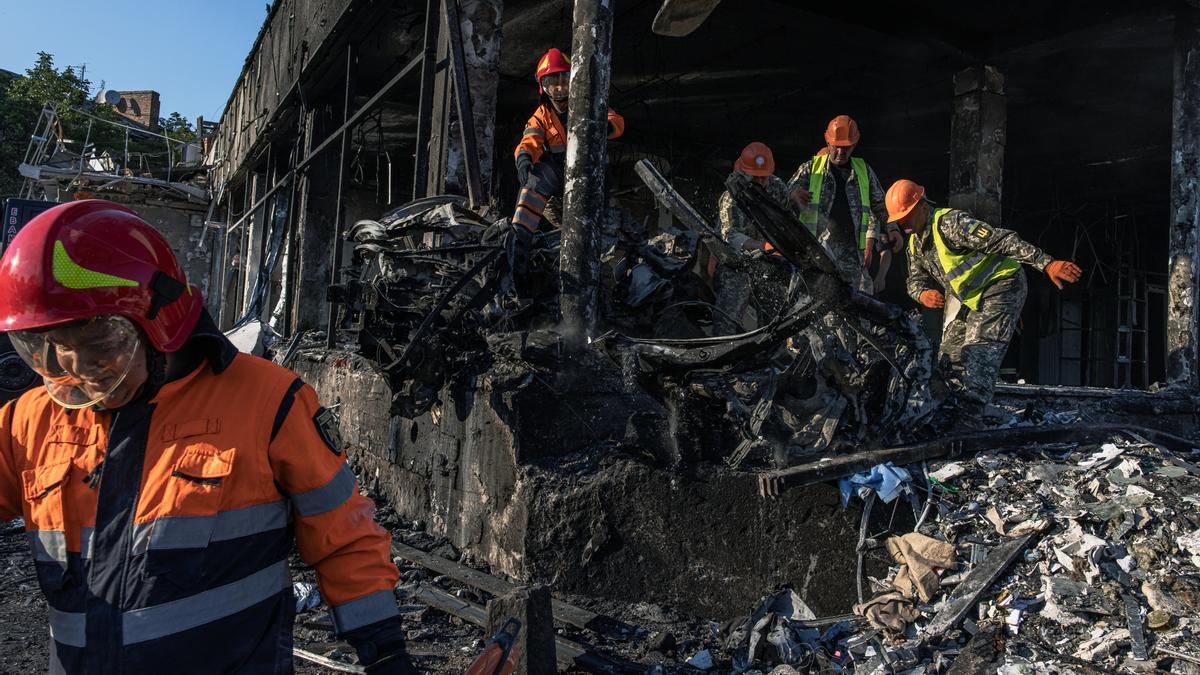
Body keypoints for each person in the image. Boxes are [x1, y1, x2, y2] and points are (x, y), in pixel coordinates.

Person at [0, 200, 413, 674]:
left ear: (158, 322)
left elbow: (343, 537)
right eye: (54, 348)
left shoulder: (266, 402)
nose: (78, 368)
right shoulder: (29, 422)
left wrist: (384, 651)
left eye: (98, 345)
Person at [885, 179, 1083, 413]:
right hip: (971, 299)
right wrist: (922, 294)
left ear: (924, 207)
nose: (903, 223)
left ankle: (972, 414)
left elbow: (1001, 239)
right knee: (949, 360)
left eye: (906, 216)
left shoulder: (950, 223)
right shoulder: (915, 246)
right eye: (899, 219)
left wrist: (1046, 263)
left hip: (1001, 286)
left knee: (976, 357)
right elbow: (914, 282)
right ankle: (950, 411)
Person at [511, 47, 625, 238]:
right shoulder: (541, 116)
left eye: (564, 81)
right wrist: (523, 159)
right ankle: (519, 237)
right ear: (543, 87)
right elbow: (529, 141)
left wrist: (600, 127)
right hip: (557, 184)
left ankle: (607, 230)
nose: (559, 88)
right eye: (553, 83)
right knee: (535, 177)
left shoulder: (589, 104)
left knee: (606, 227)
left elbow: (616, 122)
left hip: (592, 176)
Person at [787, 115, 902, 293]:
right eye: (837, 147)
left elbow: (880, 204)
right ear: (828, 141)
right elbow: (783, 195)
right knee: (809, 297)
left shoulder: (863, 171)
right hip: (816, 250)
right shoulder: (811, 168)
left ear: (854, 144)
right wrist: (793, 194)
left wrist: (893, 228)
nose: (841, 152)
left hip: (851, 255)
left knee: (847, 302)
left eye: (846, 147)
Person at [714, 141, 791, 332]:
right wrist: (762, 246)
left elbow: (787, 221)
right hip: (737, 266)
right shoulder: (731, 197)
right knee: (727, 321)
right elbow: (730, 236)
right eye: (756, 177)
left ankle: (771, 350)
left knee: (776, 322)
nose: (761, 181)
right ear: (744, 173)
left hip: (768, 266)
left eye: (764, 177)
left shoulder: (777, 188)